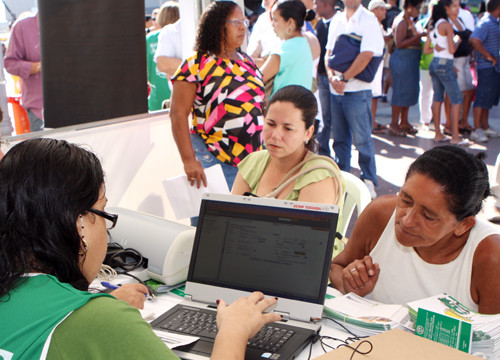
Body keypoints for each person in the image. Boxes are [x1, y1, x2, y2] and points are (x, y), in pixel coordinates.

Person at [0, 138, 281, 359]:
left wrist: (94, 312)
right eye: (103, 211)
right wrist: (233, 331)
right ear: (79, 226)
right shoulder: (100, 322)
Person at [329, 145, 500, 314]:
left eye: (428, 216)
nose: (407, 220)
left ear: (464, 225)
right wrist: (349, 284)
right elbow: (336, 266)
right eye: (405, 200)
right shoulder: (380, 215)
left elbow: (492, 339)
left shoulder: (490, 256)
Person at [170, 1, 264, 196]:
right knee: (213, 224)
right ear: (218, 24)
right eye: (235, 21)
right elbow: (178, 114)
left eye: (244, 22)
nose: (242, 27)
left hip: (253, 164)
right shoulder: (196, 64)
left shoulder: (247, 61)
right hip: (214, 161)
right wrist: (188, 160)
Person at [232, 85, 344, 207]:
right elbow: (230, 216)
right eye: (270, 124)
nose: (276, 135)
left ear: (308, 133)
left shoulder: (319, 177)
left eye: (288, 128)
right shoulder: (254, 162)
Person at [324, 0, 384, 200]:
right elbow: (328, 53)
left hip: (357, 90)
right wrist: (332, 77)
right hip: (337, 90)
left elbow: (367, 55)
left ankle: (368, 180)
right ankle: (343, 178)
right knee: (340, 139)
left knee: (362, 140)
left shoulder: (369, 20)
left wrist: (343, 78)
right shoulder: (337, 20)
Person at [424, 0, 469, 145]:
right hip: (445, 63)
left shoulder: (434, 24)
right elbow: (451, 50)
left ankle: (438, 133)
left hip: (435, 63)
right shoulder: (447, 25)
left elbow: (429, 49)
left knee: (438, 97)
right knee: (456, 99)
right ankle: (455, 136)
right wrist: (457, 41)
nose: (456, 9)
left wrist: (439, 48)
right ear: (446, 8)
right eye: (454, 6)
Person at [261, 0, 314, 97]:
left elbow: (256, 80)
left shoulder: (284, 50)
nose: (272, 24)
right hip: (301, 108)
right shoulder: (304, 43)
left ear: (290, 22)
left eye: (275, 20)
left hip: (281, 109)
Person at [388, 0, 425, 137]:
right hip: (402, 60)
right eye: (418, 7)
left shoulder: (408, 20)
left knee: (408, 92)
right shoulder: (402, 21)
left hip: (409, 61)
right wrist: (419, 37)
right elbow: (399, 43)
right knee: (400, 92)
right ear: (410, 7)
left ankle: (404, 121)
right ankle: (394, 124)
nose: (419, 10)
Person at [4, 12, 43, 132]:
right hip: (39, 110)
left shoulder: (72, 25)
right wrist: (37, 67)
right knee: (45, 149)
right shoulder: (23, 27)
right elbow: (10, 64)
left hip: (75, 106)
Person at [469, 0, 500, 143]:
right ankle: (477, 129)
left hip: (492, 68)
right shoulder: (486, 22)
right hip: (486, 67)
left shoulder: (492, 22)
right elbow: (474, 39)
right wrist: (488, 56)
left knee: (488, 98)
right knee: (482, 98)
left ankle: (485, 125)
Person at [146, 2, 180, 111]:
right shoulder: (183, 36)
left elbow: (147, 70)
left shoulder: (150, 38)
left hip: (156, 95)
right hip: (178, 94)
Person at [315, 0, 338, 156]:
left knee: (338, 120)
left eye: (317, 3)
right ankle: (324, 153)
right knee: (325, 118)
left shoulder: (339, 22)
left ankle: (342, 157)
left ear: (326, 3)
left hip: (337, 79)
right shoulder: (318, 24)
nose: (315, 7)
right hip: (321, 78)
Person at [368, 0, 390, 135]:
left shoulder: (377, 24)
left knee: (375, 95)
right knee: (373, 95)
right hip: (372, 64)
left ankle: (373, 122)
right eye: (382, 9)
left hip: (377, 64)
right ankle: (371, 123)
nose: (385, 12)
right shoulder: (371, 24)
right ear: (374, 10)